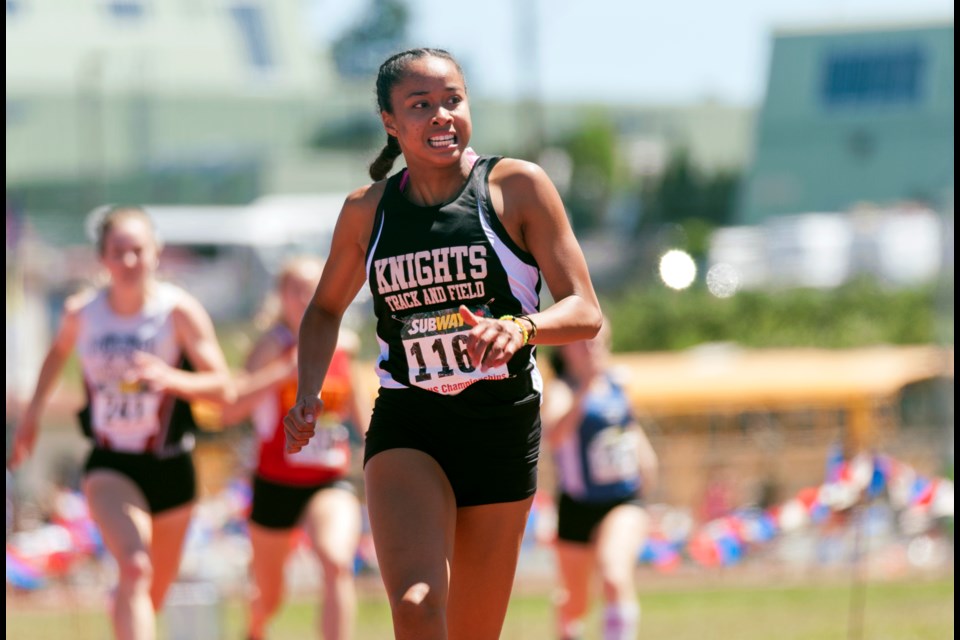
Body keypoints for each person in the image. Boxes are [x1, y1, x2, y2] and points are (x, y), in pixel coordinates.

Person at [282, 47, 603, 640]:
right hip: (411, 423)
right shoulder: (366, 212)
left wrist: (520, 327)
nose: (441, 116)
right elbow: (325, 309)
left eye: (452, 100)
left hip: (500, 426)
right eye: (420, 105)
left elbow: (585, 310)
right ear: (390, 122)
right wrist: (307, 391)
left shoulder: (517, 187)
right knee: (418, 605)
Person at [8, 205, 235, 640]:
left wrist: (170, 377)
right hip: (111, 465)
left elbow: (223, 387)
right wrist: (32, 416)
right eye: (119, 251)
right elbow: (56, 356)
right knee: (134, 565)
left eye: (138, 250)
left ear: (156, 253)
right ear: (103, 259)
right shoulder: (82, 313)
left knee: (150, 593)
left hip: (172, 466)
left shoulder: (178, 312)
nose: (129, 261)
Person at [218, 256, 369, 640]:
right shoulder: (272, 346)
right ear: (281, 297)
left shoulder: (342, 345)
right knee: (270, 596)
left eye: (312, 288)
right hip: (275, 482)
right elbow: (231, 408)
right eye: (295, 289)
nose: (304, 297)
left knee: (336, 562)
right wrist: (283, 372)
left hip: (329, 481)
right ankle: (254, 629)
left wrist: (378, 452)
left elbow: (361, 410)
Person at [542, 320, 659, 640]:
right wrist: (585, 389)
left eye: (599, 342)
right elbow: (554, 436)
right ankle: (566, 621)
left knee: (614, 576)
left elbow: (629, 426)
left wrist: (648, 464)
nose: (593, 349)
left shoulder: (619, 383)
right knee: (577, 602)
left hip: (623, 498)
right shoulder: (561, 389)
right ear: (566, 348)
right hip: (577, 504)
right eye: (584, 343)